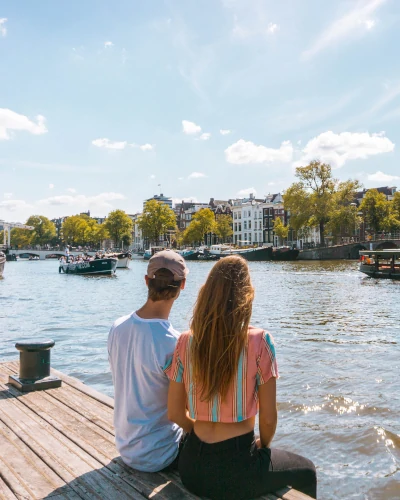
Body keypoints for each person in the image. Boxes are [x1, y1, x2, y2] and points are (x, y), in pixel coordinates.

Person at [167, 255, 317, 499]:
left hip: (191, 467)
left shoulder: (186, 340)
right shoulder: (260, 341)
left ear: (207, 294)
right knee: (307, 470)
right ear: (247, 295)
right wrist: (263, 445)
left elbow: (174, 412)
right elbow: (267, 420)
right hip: (236, 468)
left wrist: (202, 435)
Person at [108, 250, 188, 472]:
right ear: (182, 285)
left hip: (126, 449)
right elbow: (181, 412)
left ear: (146, 281)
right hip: (162, 454)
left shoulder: (117, 327)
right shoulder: (175, 342)